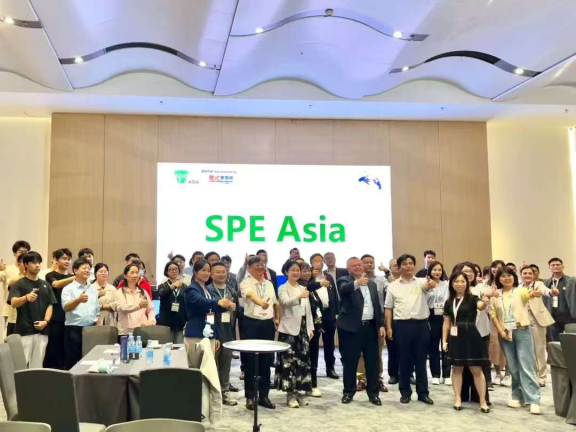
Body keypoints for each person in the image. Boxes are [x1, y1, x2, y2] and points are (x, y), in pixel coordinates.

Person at [385, 253, 437, 405]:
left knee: (421, 360)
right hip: (402, 326)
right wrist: (389, 327)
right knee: (404, 360)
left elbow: (428, 287)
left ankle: (423, 393)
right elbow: (388, 308)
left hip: (421, 325)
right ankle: (405, 392)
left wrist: (431, 285)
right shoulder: (393, 286)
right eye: (405, 264)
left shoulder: (421, 282)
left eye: (410, 263)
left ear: (414, 265)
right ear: (399, 267)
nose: (408, 266)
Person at [490, 267, 542, 415]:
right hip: (505, 333)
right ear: (498, 279)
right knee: (512, 367)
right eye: (503, 276)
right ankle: (517, 396)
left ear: (514, 277)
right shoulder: (496, 294)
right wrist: (501, 331)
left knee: (526, 365)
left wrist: (534, 293)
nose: (507, 278)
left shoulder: (520, 291)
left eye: (510, 275)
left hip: (522, 330)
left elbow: (529, 295)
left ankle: (533, 399)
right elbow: (493, 314)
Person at [337, 257, 386, 406]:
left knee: (372, 362)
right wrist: (357, 283)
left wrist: (381, 325)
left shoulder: (372, 284)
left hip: (370, 328)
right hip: (351, 329)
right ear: (348, 268)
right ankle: (348, 392)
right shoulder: (344, 280)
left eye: (359, 265)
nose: (358, 267)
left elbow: (377, 306)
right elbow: (343, 290)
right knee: (350, 362)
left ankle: (373, 394)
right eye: (354, 266)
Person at [442, 271, 491, 413]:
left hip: (472, 336)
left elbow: (480, 306)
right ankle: (457, 398)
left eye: (462, 281)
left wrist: (485, 302)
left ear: (467, 283)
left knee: (476, 369)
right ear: (452, 283)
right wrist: (444, 341)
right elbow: (446, 323)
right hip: (455, 337)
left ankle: (482, 401)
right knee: (457, 369)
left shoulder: (472, 298)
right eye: (456, 281)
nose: (460, 284)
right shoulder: (449, 302)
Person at [240, 255, 279, 411]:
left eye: (263, 264)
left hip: (267, 324)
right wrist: (260, 302)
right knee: (250, 361)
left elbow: (275, 302)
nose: (261, 266)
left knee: (266, 360)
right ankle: (250, 396)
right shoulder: (246, 282)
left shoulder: (269, 283)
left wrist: (277, 318)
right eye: (257, 264)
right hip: (251, 324)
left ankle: (264, 395)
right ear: (249, 267)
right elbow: (251, 295)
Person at [453, 262, 495, 401]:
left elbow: (488, 293)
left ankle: (480, 397)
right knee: (462, 364)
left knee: (479, 363)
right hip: (460, 332)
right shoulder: (455, 289)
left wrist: (491, 295)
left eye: (471, 271)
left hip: (479, 330)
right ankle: (463, 395)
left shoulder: (480, 288)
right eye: (465, 271)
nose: (469, 274)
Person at [276, 261, 314, 408]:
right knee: (289, 363)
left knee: (303, 362)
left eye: (298, 270)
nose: (296, 273)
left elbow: (308, 311)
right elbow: (284, 303)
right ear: (286, 272)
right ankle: (290, 395)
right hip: (288, 330)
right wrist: (299, 296)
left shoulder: (302, 288)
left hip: (303, 328)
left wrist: (310, 328)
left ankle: (301, 393)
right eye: (293, 270)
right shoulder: (283, 288)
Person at [8, 252, 56, 368]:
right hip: (25, 330)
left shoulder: (45, 284)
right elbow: (13, 302)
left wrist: (46, 321)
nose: (37, 265)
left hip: (42, 330)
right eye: (34, 262)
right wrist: (26, 298)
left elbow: (50, 304)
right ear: (26, 264)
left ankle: (36, 381)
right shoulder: (19, 284)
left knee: (37, 365)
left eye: (39, 262)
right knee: (21, 364)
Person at [184, 260, 233, 362]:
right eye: (203, 270)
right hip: (196, 333)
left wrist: (227, 306)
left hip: (209, 333)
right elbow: (201, 301)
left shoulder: (208, 290)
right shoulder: (191, 289)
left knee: (209, 367)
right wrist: (218, 302)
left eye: (208, 271)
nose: (206, 273)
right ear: (195, 272)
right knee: (196, 366)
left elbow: (214, 310)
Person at [520, 265, 557, 386]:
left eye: (530, 273)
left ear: (534, 275)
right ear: (520, 275)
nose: (527, 275)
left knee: (539, 348)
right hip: (522, 320)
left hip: (536, 319)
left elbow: (546, 291)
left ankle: (541, 376)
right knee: (526, 349)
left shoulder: (538, 284)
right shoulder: (518, 287)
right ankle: (531, 374)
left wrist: (552, 292)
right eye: (525, 273)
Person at [208, 261, 238, 406]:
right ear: (211, 274)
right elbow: (208, 312)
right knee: (212, 364)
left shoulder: (231, 290)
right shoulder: (208, 290)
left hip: (228, 331)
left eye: (223, 272)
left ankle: (225, 392)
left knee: (226, 363)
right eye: (218, 272)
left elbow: (235, 313)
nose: (221, 274)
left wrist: (234, 307)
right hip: (214, 330)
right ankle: (212, 394)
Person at [357, 254, 388, 392]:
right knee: (360, 353)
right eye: (366, 262)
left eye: (371, 262)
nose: (369, 264)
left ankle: (378, 379)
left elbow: (391, 287)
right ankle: (361, 380)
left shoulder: (381, 280)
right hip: (360, 321)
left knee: (377, 352)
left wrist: (387, 271)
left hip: (377, 320)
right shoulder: (356, 280)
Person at [61, 258, 100, 369]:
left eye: (89, 268)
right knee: (72, 360)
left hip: (91, 328)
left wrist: (98, 327)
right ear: (75, 270)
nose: (87, 270)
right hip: (74, 329)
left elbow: (97, 311)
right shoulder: (68, 289)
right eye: (84, 268)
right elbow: (66, 307)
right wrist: (78, 300)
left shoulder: (93, 289)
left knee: (91, 360)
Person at [307, 253, 339, 381]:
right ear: (311, 263)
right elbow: (308, 288)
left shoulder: (328, 276)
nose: (318, 263)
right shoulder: (309, 277)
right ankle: (312, 370)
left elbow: (334, 294)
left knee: (330, 343)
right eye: (315, 261)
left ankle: (330, 368)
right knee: (314, 344)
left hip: (328, 313)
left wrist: (336, 312)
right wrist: (312, 277)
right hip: (315, 315)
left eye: (320, 260)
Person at [44, 248, 75, 369]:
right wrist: (74, 278)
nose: (67, 261)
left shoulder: (73, 276)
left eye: (69, 259)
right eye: (64, 258)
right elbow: (56, 284)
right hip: (56, 316)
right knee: (54, 348)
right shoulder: (50, 275)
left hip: (71, 317)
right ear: (56, 260)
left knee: (67, 349)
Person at [298, 261, 323, 397]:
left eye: (309, 271)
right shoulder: (300, 288)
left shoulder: (311, 289)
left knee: (314, 357)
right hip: (303, 328)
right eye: (304, 271)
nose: (307, 273)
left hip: (315, 328)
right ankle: (303, 385)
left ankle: (313, 385)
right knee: (303, 358)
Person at [426, 261, 450, 386]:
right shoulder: (426, 284)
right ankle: (435, 374)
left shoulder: (446, 284)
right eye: (434, 270)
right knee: (433, 346)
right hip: (431, 315)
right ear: (430, 271)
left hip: (445, 315)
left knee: (446, 345)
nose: (437, 272)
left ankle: (447, 375)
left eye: (439, 270)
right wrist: (429, 287)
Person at [114, 263, 156, 337]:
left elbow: (151, 309)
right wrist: (139, 306)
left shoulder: (143, 292)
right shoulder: (119, 292)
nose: (135, 275)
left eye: (137, 272)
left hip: (142, 329)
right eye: (132, 272)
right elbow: (123, 307)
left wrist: (151, 321)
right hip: (125, 332)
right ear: (125, 276)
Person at [1, 240, 30, 337]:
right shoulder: (7, 269)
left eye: (26, 252)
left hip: (27, 310)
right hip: (10, 309)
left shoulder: (31, 269)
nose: (24, 254)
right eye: (21, 252)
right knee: (10, 337)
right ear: (14, 253)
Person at [487, 259, 510, 386]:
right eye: (494, 267)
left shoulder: (507, 283)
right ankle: (497, 373)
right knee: (494, 345)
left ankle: (508, 374)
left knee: (508, 344)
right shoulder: (486, 283)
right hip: (491, 317)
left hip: (508, 318)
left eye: (499, 267)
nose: (496, 269)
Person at [544, 257, 576, 341]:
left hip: (569, 315)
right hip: (553, 316)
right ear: (549, 267)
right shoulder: (546, 283)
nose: (555, 266)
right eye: (553, 265)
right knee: (556, 341)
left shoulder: (572, 281)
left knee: (572, 340)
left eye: (558, 264)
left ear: (563, 266)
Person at [157, 261, 187, 343]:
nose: (174, 271)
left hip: (180, 321)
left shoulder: (184, 286)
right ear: (167, 272)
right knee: (167, 345)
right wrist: (172, 287)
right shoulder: (162, 286)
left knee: (179, 345)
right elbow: (162, 294)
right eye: (171, 269)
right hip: (167, 321)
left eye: (176, 269)